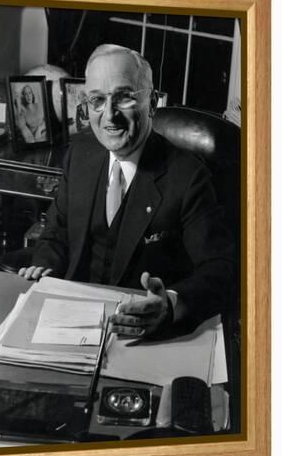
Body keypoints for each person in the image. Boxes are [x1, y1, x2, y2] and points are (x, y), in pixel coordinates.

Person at [18, 44, 234, 339]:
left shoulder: (188, 176)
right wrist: (44, 267)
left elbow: (221, 269)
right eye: (97, 100)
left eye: (124, 98)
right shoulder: (79, 156)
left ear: (153, 103)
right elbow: (57, 232)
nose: (109, 115)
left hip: (145, 332)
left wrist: (170, 303)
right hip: (70, 324)